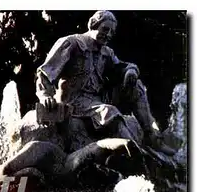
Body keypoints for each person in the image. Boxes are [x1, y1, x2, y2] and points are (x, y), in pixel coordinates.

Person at [36, 10, 167, 152]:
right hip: (74, 101)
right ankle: (135, 150)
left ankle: (151, 137)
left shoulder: (106, 52)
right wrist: (45, 96)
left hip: (97, 98)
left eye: (111, 32)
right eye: (105, 29)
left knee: (137, 86)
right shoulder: (72, 43)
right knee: (109, 111)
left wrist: (131, 71)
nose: (108, 35)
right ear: (93, 24)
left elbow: (120, 66)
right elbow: (45, 72)